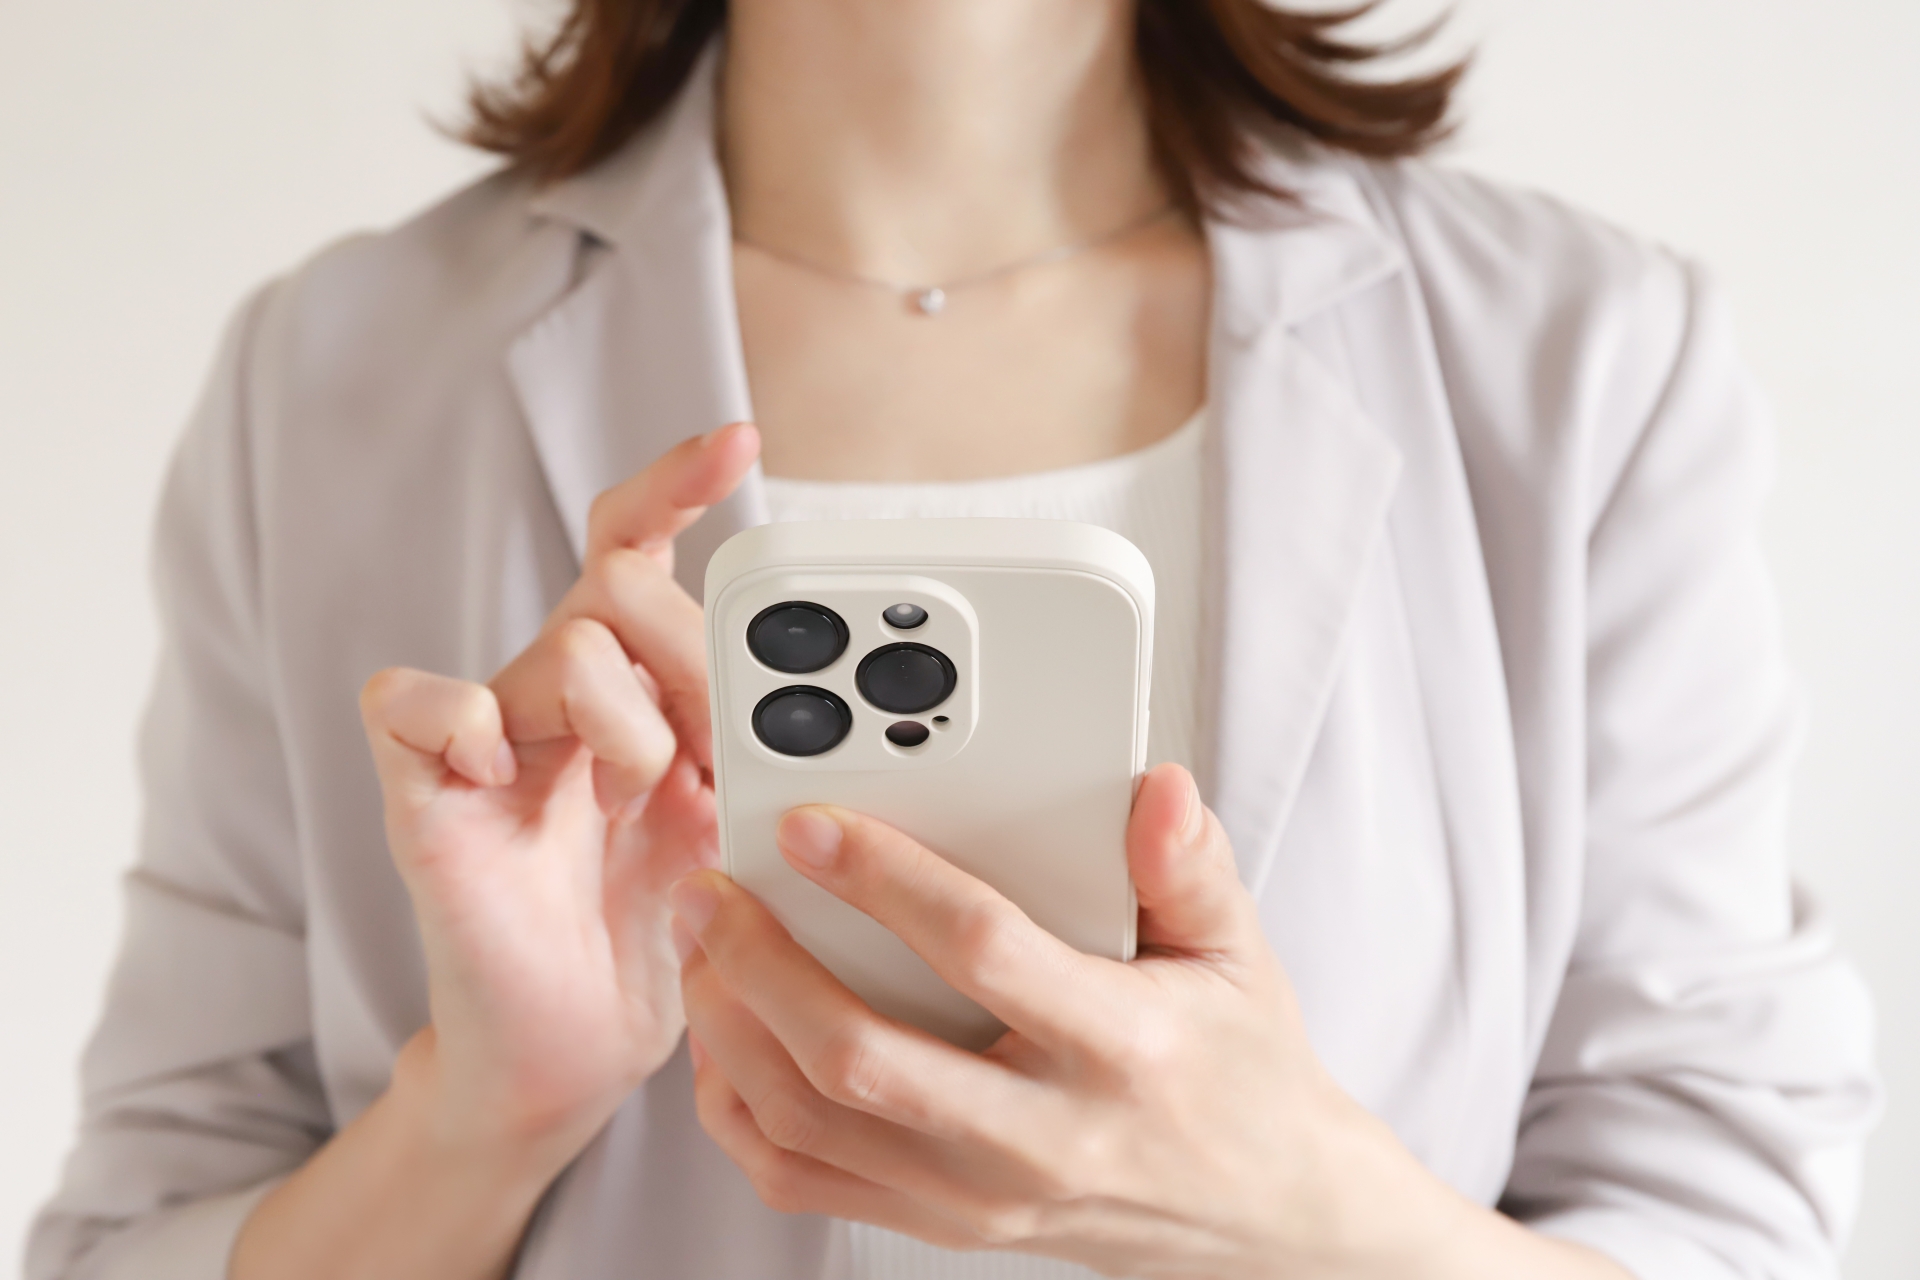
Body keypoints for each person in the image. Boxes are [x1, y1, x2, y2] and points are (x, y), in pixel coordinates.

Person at [26, 0, 1879, 1277]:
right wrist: (482, 1115)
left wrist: (1298, 1217)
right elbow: (131, 1238)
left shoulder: (1580, 363)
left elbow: (1732, 1208)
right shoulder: (332, 379)